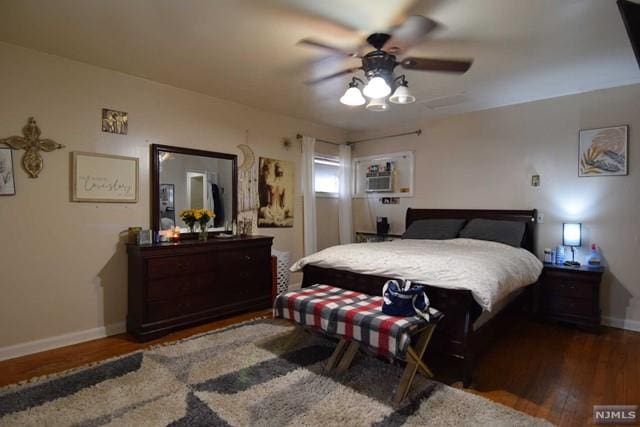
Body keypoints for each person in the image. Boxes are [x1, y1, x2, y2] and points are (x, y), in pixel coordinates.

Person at [259, 159, 291, 226]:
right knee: (265, 211)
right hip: (277, 212)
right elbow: (282, 204)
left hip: (273, 212)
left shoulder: (270, 185)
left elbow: (270, 202)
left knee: (264, 211)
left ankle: (275, 219)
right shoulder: (281, 187)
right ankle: (276, 219)